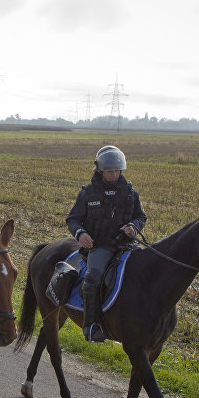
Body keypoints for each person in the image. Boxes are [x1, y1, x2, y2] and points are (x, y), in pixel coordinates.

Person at [66, 145, 146, 342]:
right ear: (100, 170)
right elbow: (73, 219)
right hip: (100, 247)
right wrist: (80, 234)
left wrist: (133, 227)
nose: (115, 174)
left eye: (118, 171)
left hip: (126, 246)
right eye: (110, 171)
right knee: (92, 279)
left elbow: (140, 216)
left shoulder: (130, 193)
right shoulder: (87, 193)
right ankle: (91, 325)